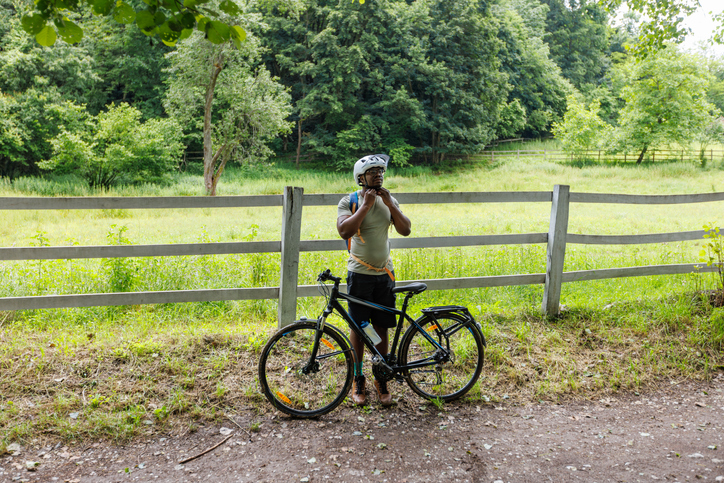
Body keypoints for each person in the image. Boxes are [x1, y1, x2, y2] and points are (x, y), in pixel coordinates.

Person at [336, 154, 411, 406]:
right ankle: (358, 378)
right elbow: (344, 231)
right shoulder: (350, 200)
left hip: (384, 276)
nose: (378, 174)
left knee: (382, 326)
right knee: (359, 328)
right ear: (361, 178)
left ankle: (381, 377)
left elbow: (405, 229)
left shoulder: (389, 199)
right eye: (372, 171)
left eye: (381, 171)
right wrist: (366, 206)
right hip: (359, 276)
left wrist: (390, 204)